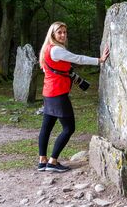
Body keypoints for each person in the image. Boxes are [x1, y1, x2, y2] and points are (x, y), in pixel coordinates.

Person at [37, 21, 109, 172]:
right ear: (53, 34)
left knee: (46, 127)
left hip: (48, 93)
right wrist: (99, 60)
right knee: (69, 128)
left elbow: (47, 71)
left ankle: (42, 160)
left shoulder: (46, 49)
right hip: (57, 94)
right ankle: (52, 162)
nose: (63, 35)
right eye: (59, 32)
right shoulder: (56, 50)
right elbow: (78, 59)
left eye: (64, 32)